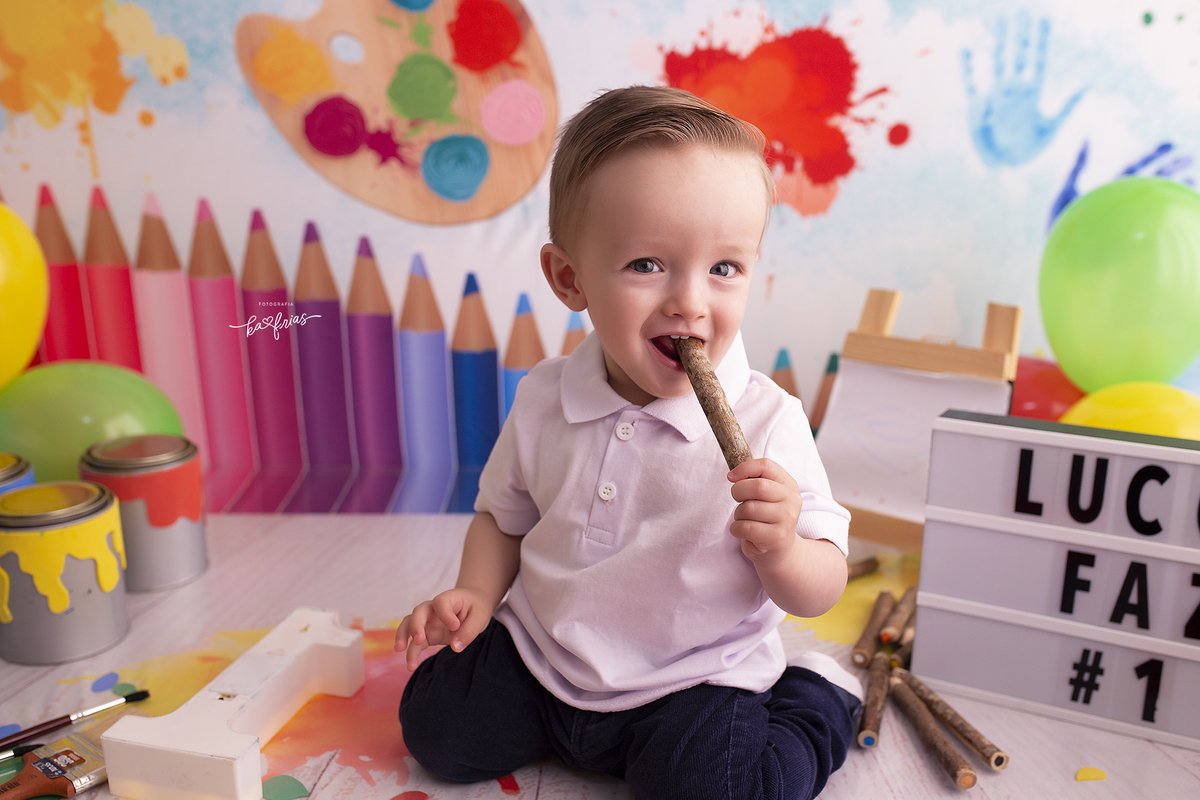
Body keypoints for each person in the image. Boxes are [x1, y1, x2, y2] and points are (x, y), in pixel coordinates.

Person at [395, 85, 862, 800]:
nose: (690, 301)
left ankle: (816, 699)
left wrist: (785, 548)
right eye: (648, 265)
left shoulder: (769, 422)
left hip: (692, 679)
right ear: (569, 277)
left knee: (723, 790)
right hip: (546, 656)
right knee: (436, 728)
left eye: (724, 268)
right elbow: (503, 518)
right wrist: (475, 592)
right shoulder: (545, 398)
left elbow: (821, 586)